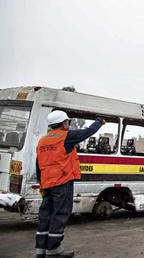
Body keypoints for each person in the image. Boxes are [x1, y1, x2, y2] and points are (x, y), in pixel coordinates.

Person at [35, 110, 105, 258]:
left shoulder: (43, 141)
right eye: (67, 121)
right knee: (59, 214)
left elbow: (38, 164)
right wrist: (99, 121)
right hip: (62, 182)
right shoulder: (66, 137)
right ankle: (53, 250)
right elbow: (88, 132)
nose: (68, 124)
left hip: (46, 184)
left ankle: (40, 250)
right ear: (63, 124)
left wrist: (41, 184)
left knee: (45, 215)